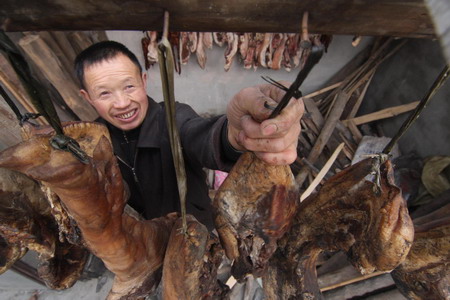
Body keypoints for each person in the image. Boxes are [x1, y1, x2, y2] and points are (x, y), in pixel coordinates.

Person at [75, 41, 303, 229]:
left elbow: (201, 136)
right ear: (87, 97)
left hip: (192, 234)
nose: (122, 103)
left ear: (143, 81)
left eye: (129, 87)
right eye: (105, 93)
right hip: (136, 243)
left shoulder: (174, 118)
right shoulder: (91, 142)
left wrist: (237, 134)